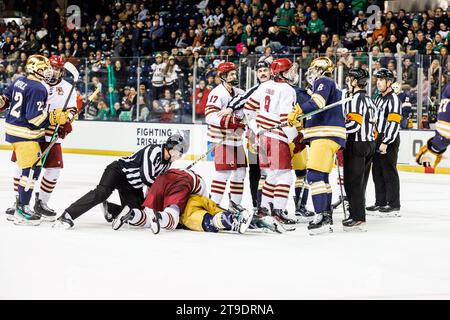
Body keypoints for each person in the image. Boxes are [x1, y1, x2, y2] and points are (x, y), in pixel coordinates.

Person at [53, 134, 188, 229]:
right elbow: (147, 177)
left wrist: (150, 199)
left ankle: (110, 210)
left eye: (181, 154)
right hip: (118, 171)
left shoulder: (166, 163)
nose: (179, 156)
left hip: (131, 186)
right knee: (101, 193)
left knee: (137, 217)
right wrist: (158, 192)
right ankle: (68, 214)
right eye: (178, 152)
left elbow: (153, 183)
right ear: (170, 146)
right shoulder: (153, 150)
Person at [1, 54, 69, 226]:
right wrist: (54, 118)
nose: (47, 71)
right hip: (26, 134)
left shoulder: (19, 80)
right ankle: (22, 209)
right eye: (43, 68)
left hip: (13, 130)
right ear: (34, 69)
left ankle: (20, 205)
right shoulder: (38, 88)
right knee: (31, 171)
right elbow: (35, 118)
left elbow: (5, 99)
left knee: (29, 169)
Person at [287, 56, 346, 235]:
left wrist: (297, 110)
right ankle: (326, 215)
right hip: (328, 135)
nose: (310, 73)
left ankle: (321, 216)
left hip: (325, 134)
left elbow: (317, 104)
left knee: (313, 176)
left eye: (313, 69)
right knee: (322, 177)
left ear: (320, 69)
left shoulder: (323, 81)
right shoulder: (328, 85)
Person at [111, 169, 254, 235]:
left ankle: (133, 214)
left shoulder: (200, 198)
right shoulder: (202, 198)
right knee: (208, 221)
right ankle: (234, 221)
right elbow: (215, 208)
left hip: (170, 184)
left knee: (149, 219)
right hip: (186, 195)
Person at [244, 58, 300, 225]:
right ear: (280, 73)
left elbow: (248, 109)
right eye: (289, 70)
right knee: (285, 176)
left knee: (272, 175)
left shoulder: (264, 86)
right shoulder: (288, 90)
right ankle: (277, 211)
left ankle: (263, 209)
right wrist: (296, 138)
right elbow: (286, 119)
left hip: (262, 138)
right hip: (276, 137)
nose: (292, 74)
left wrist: (256, 128)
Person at [216, 55, 273, 212]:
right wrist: (230, 108)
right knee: (255, 169)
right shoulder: (255, 89)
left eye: (265, 70)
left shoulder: (277, 87)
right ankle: (257, 205)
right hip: (255, 137)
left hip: (274, 135)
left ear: (271, 72)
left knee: (273, 171)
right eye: (259, 71)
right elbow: (241, 99)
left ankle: (269, 205)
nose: (262, 73)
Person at [204, 62, 246, 209]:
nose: (235, 76)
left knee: (241, 172)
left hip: (237, 140)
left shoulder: (240, 93)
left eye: (235, 73)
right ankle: (213, 205)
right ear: (223, 77)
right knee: (224, 172)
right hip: (221, 139)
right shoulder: (217, 93)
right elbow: (209, 116)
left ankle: (235, 204)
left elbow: (245, 114)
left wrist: (244, 121)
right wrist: (232, 121)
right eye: (231, 74)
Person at [341, 68, 377, 231]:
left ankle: (357, 217)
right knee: (361, 182)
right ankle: (357, 213)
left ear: (356, 82)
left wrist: (338, 129)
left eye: (350, 79)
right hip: (369, 143)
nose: (348, 81)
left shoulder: (355, 99)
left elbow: (354, 125)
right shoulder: (369, 100)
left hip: (357, 143)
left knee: (353, 182)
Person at [367, 68, 401, 216]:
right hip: (376, 137)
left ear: (389, 82)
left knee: (389, 171)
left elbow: (394, 123)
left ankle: (393, 204)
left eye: (381, 79)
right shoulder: (378, 98)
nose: (378, 82)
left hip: (388, 138)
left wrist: (386, 142)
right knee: (377, 171)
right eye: (378, 79)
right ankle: (380, 202)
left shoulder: (393, 99)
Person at [416, 83, 450, 168]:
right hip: (446, 125)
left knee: (439, 143)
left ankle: (434, 149)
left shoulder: (445, 92)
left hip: (441, 125)